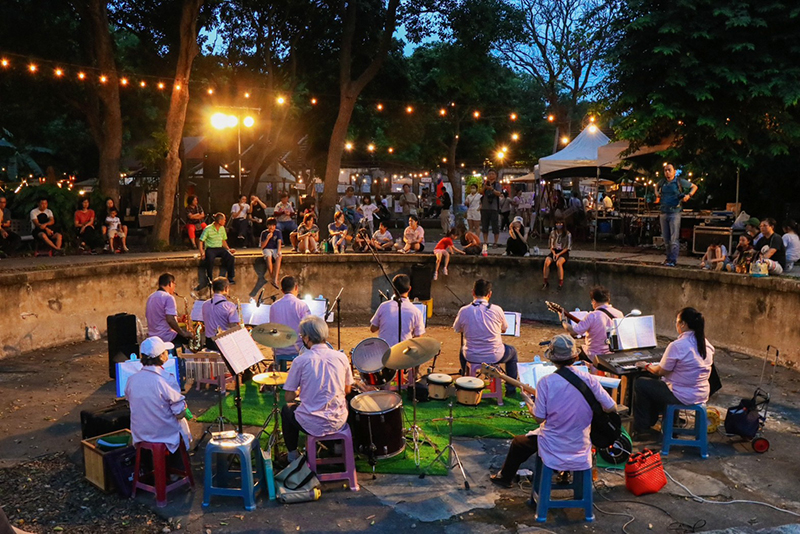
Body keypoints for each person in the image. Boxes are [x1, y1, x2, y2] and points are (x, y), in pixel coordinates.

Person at [490, 334, 616, 488]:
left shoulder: (546, 382)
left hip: (554, 445)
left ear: (552, 358)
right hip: (581, 443)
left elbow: (538, 418)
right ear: (575, 356)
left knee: (518, 443)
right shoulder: (589, 379)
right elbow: (611, 407)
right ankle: (564, 473)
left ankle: (504, 478)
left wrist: (528, 400)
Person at [633, 307, 714, 441]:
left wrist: (646, 365)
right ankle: (671, 425)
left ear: (683, 324)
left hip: (681, 394)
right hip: (701, 393)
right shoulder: (706, 344)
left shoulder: (677, 345)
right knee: (658, 385)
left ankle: (643, 429)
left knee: (641, 383)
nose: (676, 325)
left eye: (677, 322)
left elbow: (660, 371)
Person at [281, 315, 353, 461]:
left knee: (287, 409)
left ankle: (292, 455)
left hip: (311, 422)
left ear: (307, 337)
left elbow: (289, 396)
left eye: (302, 336)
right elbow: (347, 391)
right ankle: (336, 445)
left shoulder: (300, 361)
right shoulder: (341, 357)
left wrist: (300, 392)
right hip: (339, 420)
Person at [125, 336, 191, 454]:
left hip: (140, 435)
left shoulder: (131, 379)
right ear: (161, 356)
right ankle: (179, 460)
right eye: (166, 352)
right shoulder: (166, 379)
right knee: (182, 422)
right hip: (164, 436)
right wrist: (184, 407)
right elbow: (179, 414)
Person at [454, 279, 518, 395]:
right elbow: (504, 328)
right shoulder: (497, 309)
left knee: (462, 350)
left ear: (473, 292)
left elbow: (457, 329)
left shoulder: (464, 310)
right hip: (494, 355)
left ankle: (465, 381)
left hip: (471, 355)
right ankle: (511, 389)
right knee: (512, 352)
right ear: (489, 294)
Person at [558, 286, 624, 365]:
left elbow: (573, 332)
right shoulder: (619, 313)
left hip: (594, 354)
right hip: (612, 353)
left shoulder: (592, 316)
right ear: (608, 300)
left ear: (594, 301)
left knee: (570, 353)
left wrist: (563, 321)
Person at [655, 163, 698, 267]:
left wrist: (688, 195)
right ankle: (668, 258)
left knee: (674, 238)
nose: (667, 172)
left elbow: (694, 186)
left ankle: (673, 260)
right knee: (666, 238)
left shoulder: (679, 182)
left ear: (674, 171)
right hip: (664, 211)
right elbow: (656, 186)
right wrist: (657, 193)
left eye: (669, 170)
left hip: (675, 212)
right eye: (665, 170)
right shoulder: (663, 182)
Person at [370, 274, 425, 347]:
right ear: (409, 289)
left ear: (393, 289)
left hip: (383, 352)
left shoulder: (383, 306)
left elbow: (373, 328)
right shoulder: (416, 311)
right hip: (404, 353)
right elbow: (418, 337)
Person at [270, 276, 312, 363]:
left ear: (282, 290)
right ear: (296, 287)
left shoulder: (273, 306)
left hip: (278, 350)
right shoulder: (301, 305)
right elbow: (308, 328)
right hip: (297, 350)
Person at [145, 273, 192, 348]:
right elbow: (170, 320)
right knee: (189, 339)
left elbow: (158, 317)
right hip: (167, 337)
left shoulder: (150, 297)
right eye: (174, 284)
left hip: (153, 338)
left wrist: (178, 319)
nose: (174, 288)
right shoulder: (168, 297)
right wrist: (183, 333)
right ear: (170, 284)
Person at [201, 277, 240, 351]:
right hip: (224, 343)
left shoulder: (205, 304)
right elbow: (233, 327)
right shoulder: (229, 305)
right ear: (226, 288)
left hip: (209, 342)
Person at [198, 213, 236, 286]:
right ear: (220, 221)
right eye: (224, 220)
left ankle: (230, 277)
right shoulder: (208, 229)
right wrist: (202, 252)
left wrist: (228, 249)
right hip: (211, 248)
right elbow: (201, 241)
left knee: (230, 257)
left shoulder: (222, 229)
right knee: (210, 259)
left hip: (220, 248)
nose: (225, 221)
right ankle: (209, 279)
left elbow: (223, 241)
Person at [542, 220, 571, 290]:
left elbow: (568, 247)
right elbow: (551, 245)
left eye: (560, 223)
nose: (559, 225)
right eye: (557, 223)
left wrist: (559, 254)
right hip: (554, 251)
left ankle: (560, 282)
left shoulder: (567, 234)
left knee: (559, 263)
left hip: (563, 251)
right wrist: (554, 253)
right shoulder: (553, 233)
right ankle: (545, 281)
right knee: (547, 262)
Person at [480, 170, 503, 247]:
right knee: (484, 226)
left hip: (494, 208)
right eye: (489, 174)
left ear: (495, 175)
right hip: (484, 207)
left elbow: (499, 193)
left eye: (492, 174)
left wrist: (492, 189)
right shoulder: (485, 184)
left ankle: (495, 242)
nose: (491, 175)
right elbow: (480, 192)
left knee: (495, 226)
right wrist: (485, 187)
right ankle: (485, 241)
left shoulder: (497, 185)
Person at [260, 217, 282, 288]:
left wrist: (278, 251)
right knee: (268, 257)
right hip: (267, 248)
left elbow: (279, 242)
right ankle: (272, 277)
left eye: (273, 225)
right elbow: (262, 246)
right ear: (267, 226)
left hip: (275, 249)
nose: (271, 227)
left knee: (279, 256)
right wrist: (268, 238)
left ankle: (275, 278)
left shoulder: (278, 232)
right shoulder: (264, 233)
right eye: (270, 225)